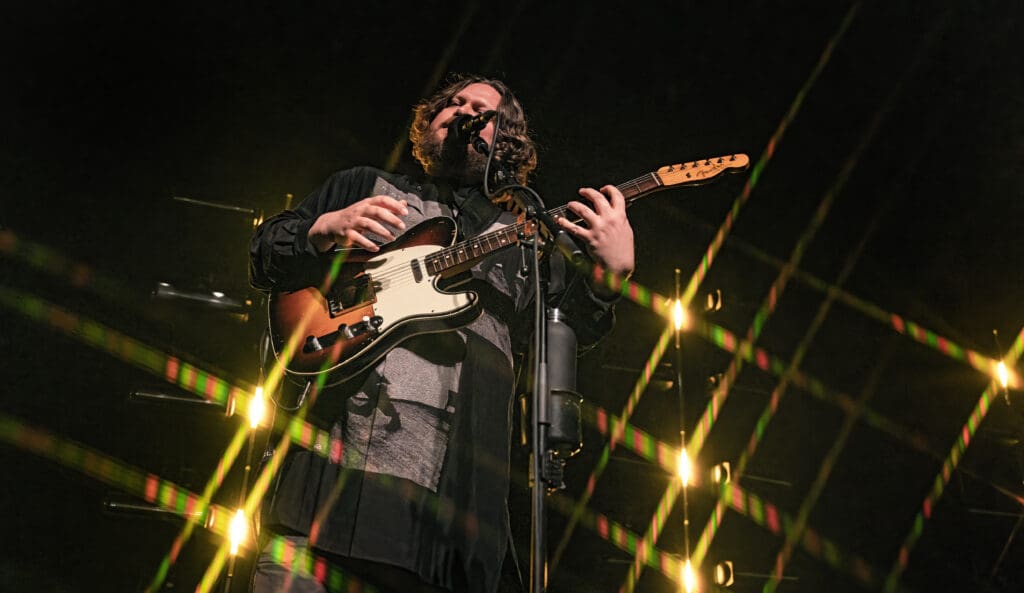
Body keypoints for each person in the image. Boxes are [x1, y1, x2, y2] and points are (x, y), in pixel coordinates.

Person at [248, 74, 634, 593]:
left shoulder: (531, 241)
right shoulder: (365, 186)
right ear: (431, 122)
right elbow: (266, 255)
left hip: (455, 524)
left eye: (482, 110)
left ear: (508, 141)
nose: (465, 110)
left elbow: (568, 338)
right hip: (327, 499)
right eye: (454, 103)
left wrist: (610, 278)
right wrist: (321, 230)